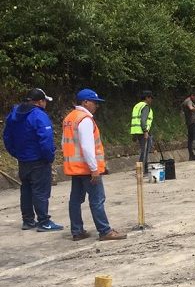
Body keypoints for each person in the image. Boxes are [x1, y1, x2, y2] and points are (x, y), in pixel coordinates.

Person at [62, 89, 126, 241]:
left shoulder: (69, 118)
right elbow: (87, 147)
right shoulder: (84, 120)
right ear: (85, 102)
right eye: (94, 102)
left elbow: (64, 143)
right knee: (97, 199)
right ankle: (104, 231)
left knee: (75, 200)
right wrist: (94, 169)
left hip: (75, 168)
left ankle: (77, 231)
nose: (96, 105)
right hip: (86, 168)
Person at [3, 88, 63, 232]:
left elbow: (7, 137)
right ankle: (44, 221)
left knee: (26, 189)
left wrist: (16, 154)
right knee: (41, 191)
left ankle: (28, 220)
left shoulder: (14, 114)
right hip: (39, 159)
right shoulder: (39, 116)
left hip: (23, 160)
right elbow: (46, 139)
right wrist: (49, 157)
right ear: (40, 101)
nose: (45, 104)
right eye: (45, 101)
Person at [130, 90, 154, 173]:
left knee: (144, 151)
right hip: (143, 132)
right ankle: (140, 171)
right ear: (147, 98)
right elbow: (143, 120)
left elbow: (135, 120)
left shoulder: (137, 106)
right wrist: (145, 131)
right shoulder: (145, 106)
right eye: (151, 98)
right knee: (144, 152)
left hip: (137, 132)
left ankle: (145, 170)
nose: (151, 100)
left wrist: (134, 135)